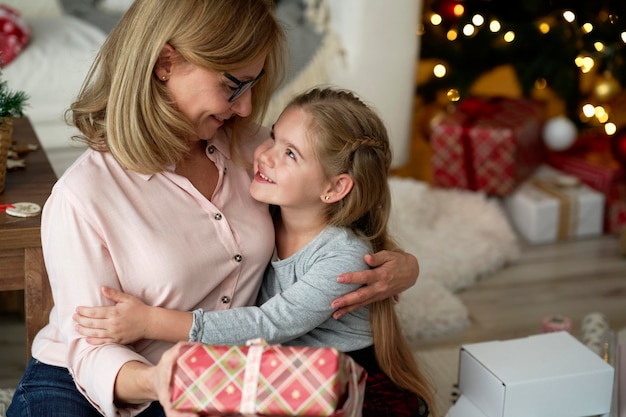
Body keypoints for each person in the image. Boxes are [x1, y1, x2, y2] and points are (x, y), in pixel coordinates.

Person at [6, 1, 419, 417]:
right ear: (166, 63)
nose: (245, 107)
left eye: (253, 85)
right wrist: (161, 380)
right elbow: (91, 349)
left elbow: (333, 201)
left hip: (213, 377)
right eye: (233, 85)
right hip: (90, 381)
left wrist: (402, 266)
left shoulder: (256, 154)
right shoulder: (82, 194)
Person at [74, 87, 436, 417]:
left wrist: (150, 321)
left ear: (335, 187)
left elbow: (268, 325)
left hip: (344, 391)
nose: (265, 156)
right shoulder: (264, 218)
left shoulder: (342, 258)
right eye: (274, 137)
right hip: (283, 381)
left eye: (290, 154)